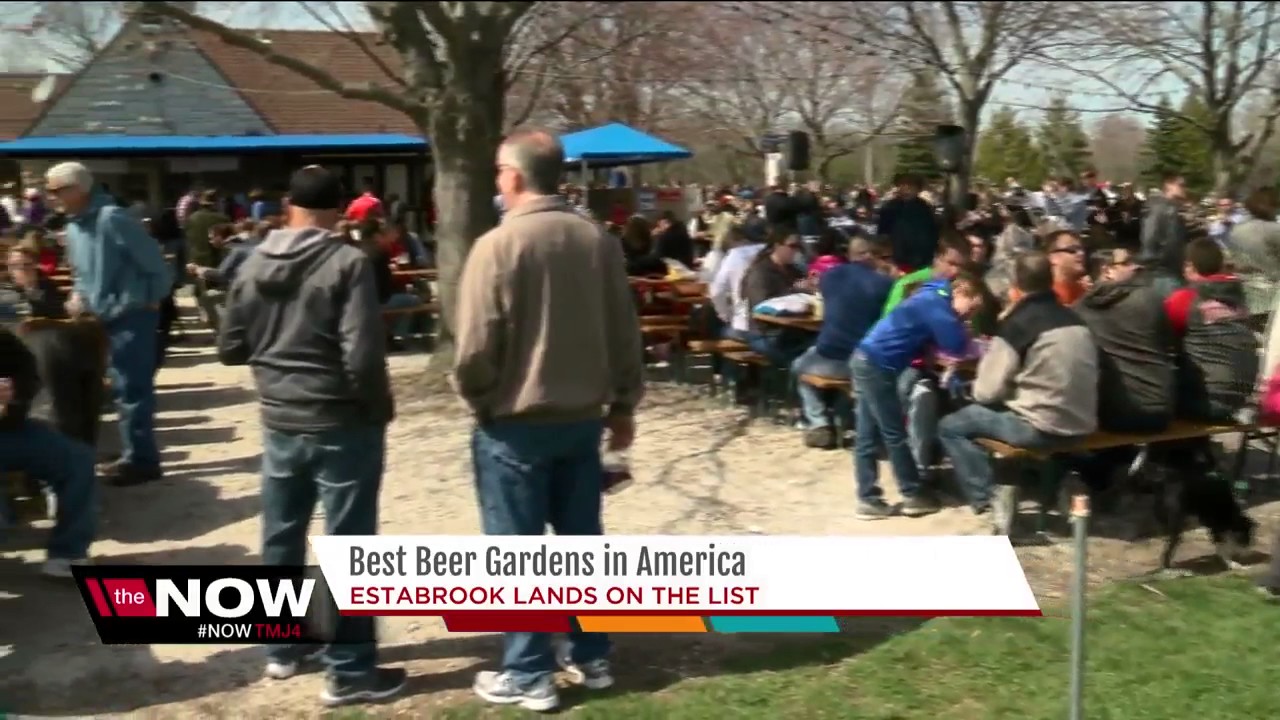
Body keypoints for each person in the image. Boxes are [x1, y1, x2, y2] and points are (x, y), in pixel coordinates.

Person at [454, 129, 644, 712]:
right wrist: (624, 405)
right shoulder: (597, 241)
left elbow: (475, 347)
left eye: (498, 171)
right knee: (582, 543)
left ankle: (528, 671)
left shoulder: (497, 245)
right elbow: (624, 330)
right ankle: (593, 654)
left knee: (516, 552)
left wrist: (477, 397)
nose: (497, 180)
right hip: (582, 417)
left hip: (516, 420)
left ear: (513, 176)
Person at [217, 165, 405, 706]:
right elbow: (361, 353)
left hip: (280, 416)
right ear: (339, 211)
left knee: (281, 533)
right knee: (350, 544)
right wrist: (378, 409)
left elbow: (229, 346)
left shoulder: (251, 262)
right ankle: (350, 669)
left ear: (288, 206)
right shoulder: (348, 262)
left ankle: (281, 647)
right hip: (340, 418)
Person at [937, 252, 1098, 515]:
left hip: (1040, 428)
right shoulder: (1077, 320)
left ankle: (986, 499)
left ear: (1015, 286)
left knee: (950, 426)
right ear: (1050, 280)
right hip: (1083, 424)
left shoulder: (1018, 325)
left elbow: (985, 392)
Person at [50, 161, 171, 486]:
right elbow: (81, 273)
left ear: (80, 189)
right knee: (115, 389)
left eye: (56, 190)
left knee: (132, 389)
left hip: (131, 315)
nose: (51, 197)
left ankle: (142, 462)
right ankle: (133, 452)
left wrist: (150, 299)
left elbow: (155, 264)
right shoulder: (73, 226)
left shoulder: (112, 218)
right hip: (98, 317)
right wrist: (77, 295)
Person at [851, 271, 985, 519]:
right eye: (971, 308)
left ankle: (868, 498)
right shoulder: (937, 304)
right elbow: (956, 345)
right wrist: (964, 329)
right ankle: (912, 494)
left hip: (865, 359)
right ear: (960, 292)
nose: (969, 315)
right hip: (877, 366)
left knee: (867, 434)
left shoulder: (929, 295)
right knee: (893, 433)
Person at [0, 325, 97, 578]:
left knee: (77, 459)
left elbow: (27, 373)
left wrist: (12, 394)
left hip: (7, 432)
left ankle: (67, 553)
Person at [792, 236, 894, 449]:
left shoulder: (829, 276)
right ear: (869, 255)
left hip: (828, 355)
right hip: (864, 359)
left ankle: (819, 422)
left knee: (797, 366)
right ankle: (840, 417)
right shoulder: (884, 284)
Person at [1072, 247, 1175, 434]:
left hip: (1110, 413)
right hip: (1159, 409)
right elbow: (1169, 342)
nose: (1135, 267)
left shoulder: (1078, 310)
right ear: (1107, 270)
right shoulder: (1149, 299)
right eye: (1126, 263)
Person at [1165, 239, 1259, 423]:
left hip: (1203, 399)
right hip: (1241, 398)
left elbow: (1157, 336)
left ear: (1189, 266)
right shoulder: (1238, 297)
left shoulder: (1185, 298)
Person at [1139, 172, 1189, 297]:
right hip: (1162, 273)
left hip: (1172, 271)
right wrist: (1153, 262)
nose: (1184, 188)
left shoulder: (1172, 209)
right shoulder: (1159, 208)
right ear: (1168, 185)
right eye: (1181, 185)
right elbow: (1150, 238)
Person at [877, 173, 939, 272]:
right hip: (896, 260)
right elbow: (882, 233)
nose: (906, 189)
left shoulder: (925, 209)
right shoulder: (889, 208)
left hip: (921, 260)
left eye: (911, 185)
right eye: (903, 184)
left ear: (918, 189)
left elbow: (932, 234)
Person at [6, 245, 65, 318]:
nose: (22, 269)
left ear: (35, 265)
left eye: (27, 264)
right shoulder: (6, 288)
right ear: (9, 268)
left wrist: (30, 287)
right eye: (15, 265)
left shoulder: (49, 287)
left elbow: (56, 313)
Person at [184, 189, 230, 270]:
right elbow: (227, 244)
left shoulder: (192, 218)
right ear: (215, 204)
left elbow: (189, 240)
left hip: (196, 261)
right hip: (215, 262)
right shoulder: (222, 219)